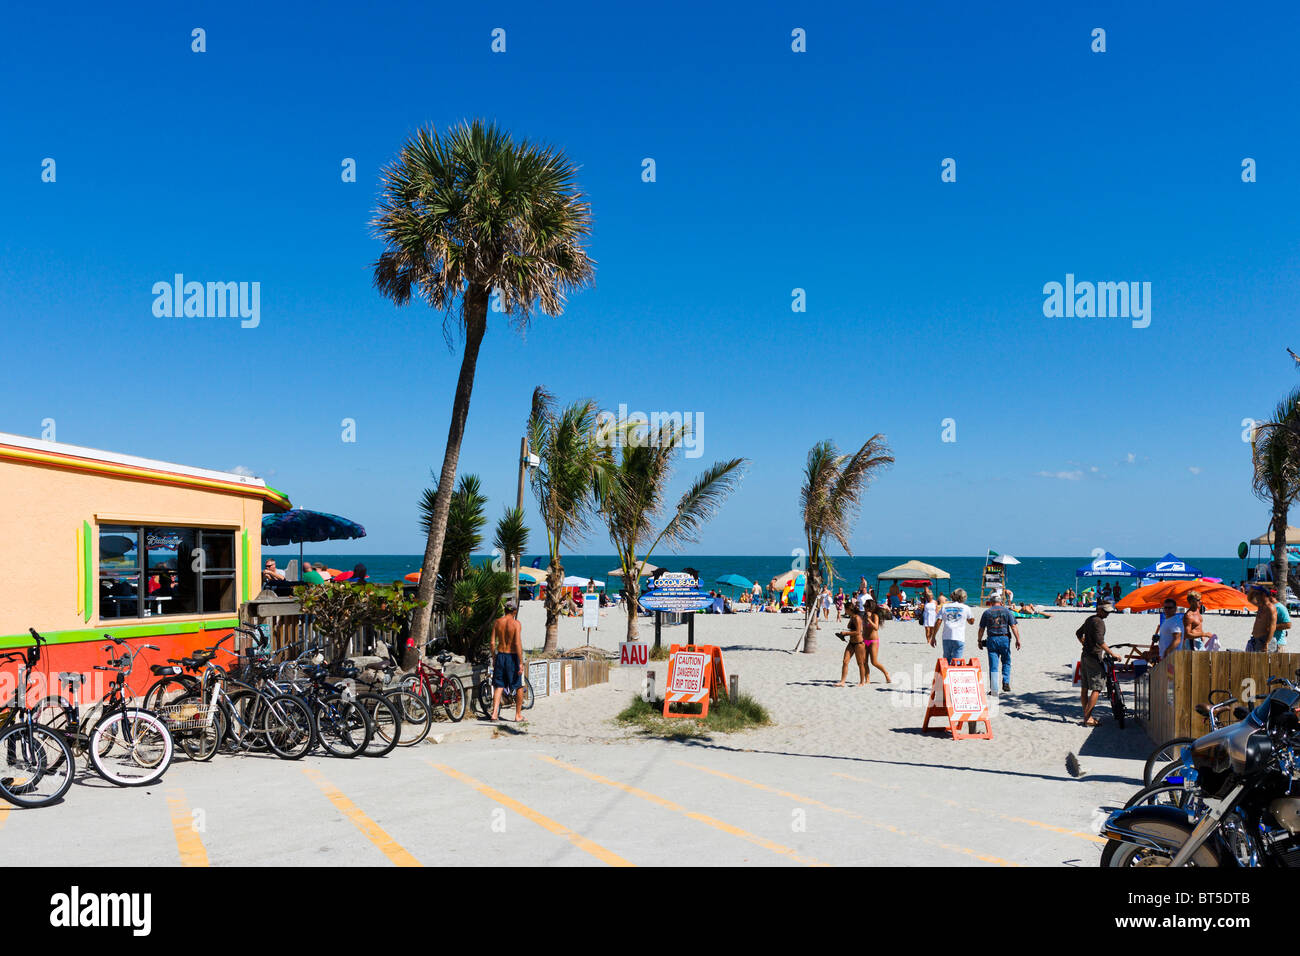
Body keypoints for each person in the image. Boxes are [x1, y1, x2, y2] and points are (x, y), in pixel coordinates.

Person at [1077, 600, 1121, 726]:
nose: (1107, 614)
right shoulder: (1099, 622)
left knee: (1084, 687)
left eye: (1109, 612)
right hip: (1094, 658)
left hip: (1084, 656)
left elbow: (1078, 633)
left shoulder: (1090, 619)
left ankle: (1087, 716)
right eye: (1106, 611)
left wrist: (1084, 644)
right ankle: (1087, 718)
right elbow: (1100, 641)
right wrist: (1113, 654)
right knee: (1097, 688)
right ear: (1099, 609)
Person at [489, 602, 525, 722]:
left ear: (505, 610)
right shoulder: (516, 624)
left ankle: (494, 714)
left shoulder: (498, 622)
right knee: (519, 686)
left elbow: (492, 643)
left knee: (499, 685)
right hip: (512, 657)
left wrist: (494, 657)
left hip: (500, 656)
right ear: (514, 611)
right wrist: (520, 662)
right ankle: (518, 715)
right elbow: (517, 643)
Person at [978, 592, 1021, 694]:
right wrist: (1018, 639)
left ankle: (994, 688)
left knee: (993, 664)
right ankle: (1006, 682)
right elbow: (1013, 626)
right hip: (1004, 638)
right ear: (1000, 602)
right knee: (1006, 661)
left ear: (991, 602)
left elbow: (981, 629)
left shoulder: (987, 613)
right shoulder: (1007, 611)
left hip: (992, 639)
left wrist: (979, 640)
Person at [860, 598, 892, 683]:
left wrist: (869, 619)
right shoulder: (864, 615)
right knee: (864, 661)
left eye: (866, 606)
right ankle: (867, 679)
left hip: (873, 641)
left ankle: (886, 673)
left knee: (874, 662)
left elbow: (876, 627)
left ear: (870, 607)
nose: (864, 607)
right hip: (864, 640)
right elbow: (863, 628)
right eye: (864, 606)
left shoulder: (874, 616)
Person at [938, 588, 975, 662]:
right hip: (959, 637)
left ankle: (946, 673)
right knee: (957, 662)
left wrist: (933, 637)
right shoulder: (966, 608)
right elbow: (971, 622)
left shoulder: (945, 606)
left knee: (946, 660)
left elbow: (938, 621)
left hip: (946, 636)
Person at [835, 604, 868, 687]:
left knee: (860, 663)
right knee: (845, 661)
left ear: (848, 609)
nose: (844, 610)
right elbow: (850, 627)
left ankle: (862, 682)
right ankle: (842, 681)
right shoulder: (852, 617)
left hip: (859, 643)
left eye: (845, 609)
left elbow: (858, 632)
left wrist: (846, 633)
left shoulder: (857, 618)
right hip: (851, 642)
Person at [1248, 586, 1277, 653]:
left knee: (1264, 662)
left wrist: (1267, 643)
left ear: (1263, 594)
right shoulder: (1260, 605)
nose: (1255, 596)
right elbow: (1249, 599)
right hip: (1256, 639)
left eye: (1257, 594)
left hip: (1265, 640)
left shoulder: (1270, 608)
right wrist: (1251, 591)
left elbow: (1272, 627)